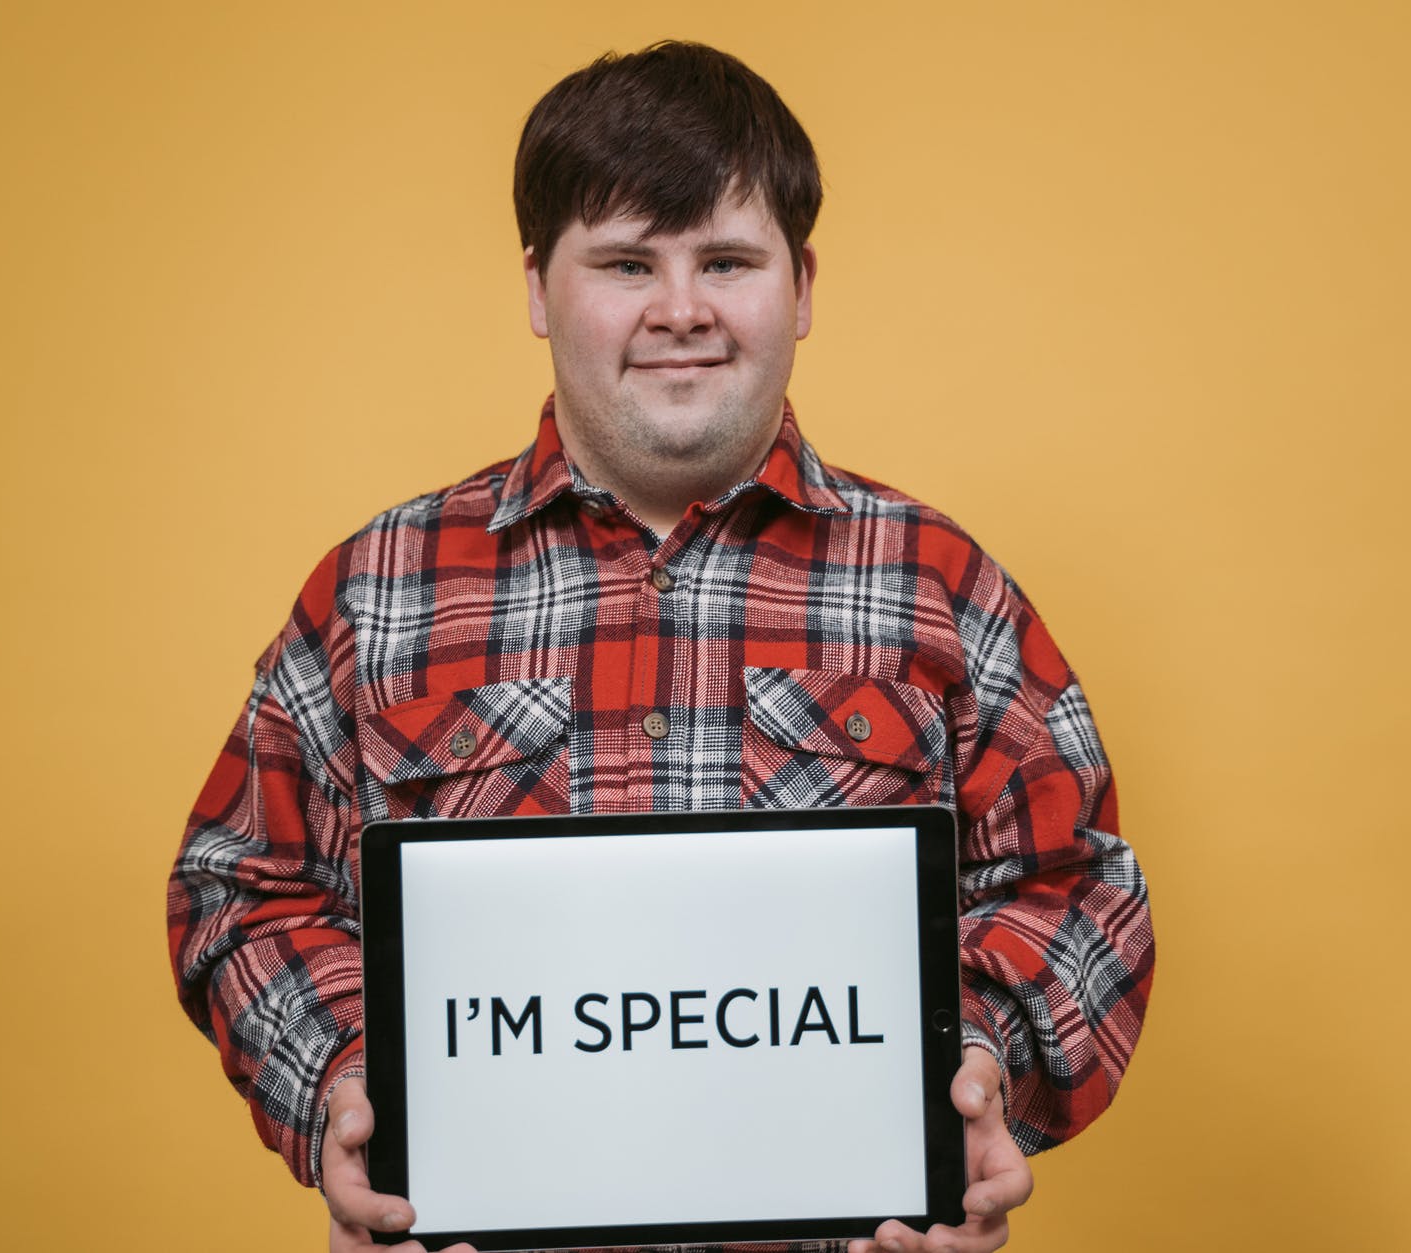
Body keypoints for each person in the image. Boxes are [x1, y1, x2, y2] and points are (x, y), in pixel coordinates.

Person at [168, 40, 1153, 1253]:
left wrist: (969, 1079)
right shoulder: (377, 591)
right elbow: (237, 888)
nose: (679, 308)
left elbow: (1084, 884)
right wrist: (361, 1089)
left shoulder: (936, 586)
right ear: (538, 288)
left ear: (800, 284)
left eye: (724, 262)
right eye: (626, 261)